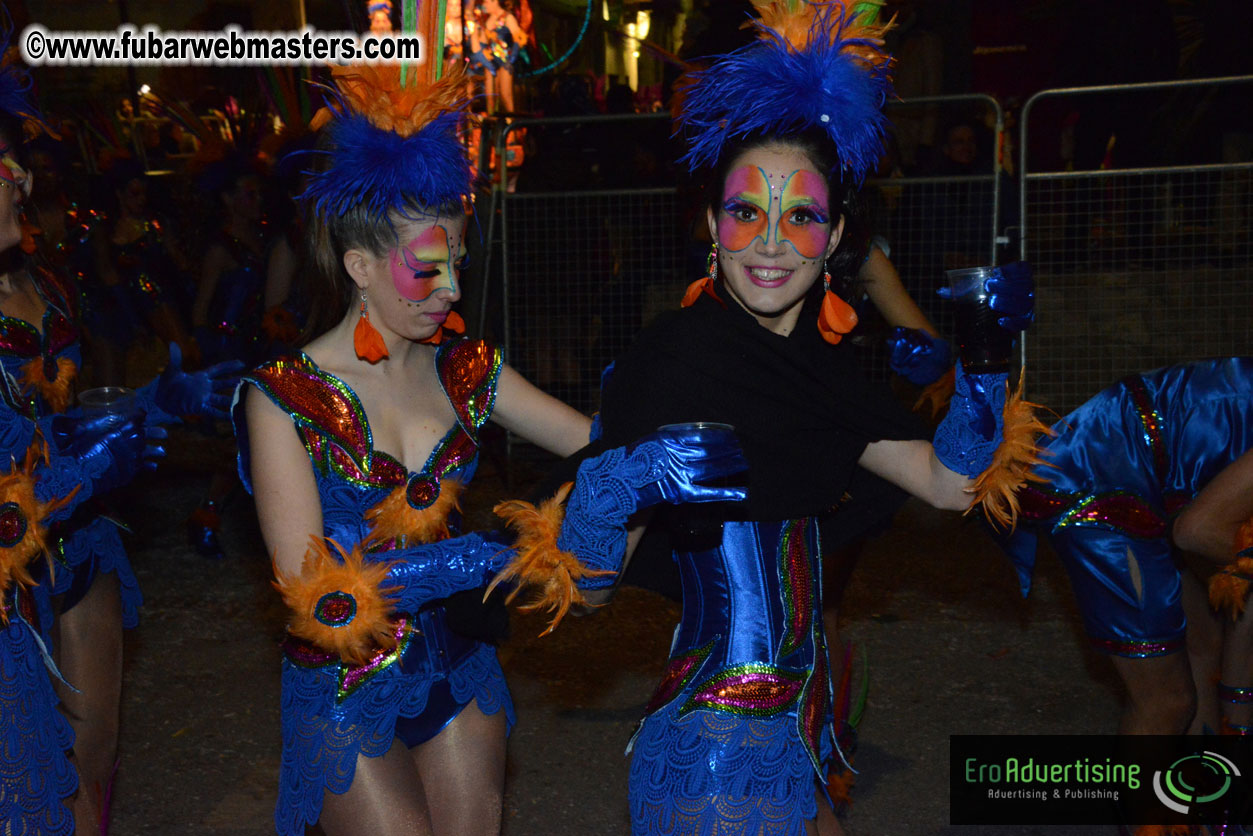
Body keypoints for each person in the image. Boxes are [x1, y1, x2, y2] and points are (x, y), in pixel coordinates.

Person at [231, 50, 746, 836]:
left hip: (458, 666)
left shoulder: (469, 371)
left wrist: (663, 450)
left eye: (457, 264)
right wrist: (473, 560)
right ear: (359, 264)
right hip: (343, 685)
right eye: (425, 271)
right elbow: (314, 590)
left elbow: (596, 445)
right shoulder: (283, 400)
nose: (451, 290)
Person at [577, 4, 1039, 834]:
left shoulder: (822, 374)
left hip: (801, 726)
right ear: (711, 230)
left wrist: (982, 364)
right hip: (710, 741)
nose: (771, 241)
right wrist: (624, 478)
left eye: (802, 216)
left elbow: (947, 482)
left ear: (833, 243)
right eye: (745, 211)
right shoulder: (672, 359)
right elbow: (584, 591)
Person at [0, 44, 236, 834]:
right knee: (24, 782)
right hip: (10, 579)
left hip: (79, 545)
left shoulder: (40, 284)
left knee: (88, 771)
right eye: (5, 166)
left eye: (21, 165)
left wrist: (143, 403)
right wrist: (84, 469)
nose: (22, 181)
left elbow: (41, 424)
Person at [1003, 358, 1253, 737]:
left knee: (1204, 640)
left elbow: (1243, 602)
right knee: (1166, 701)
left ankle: (1204, 785)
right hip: (1095, 482)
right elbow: (1199, 531)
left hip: (1148, 481)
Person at [469, 0, 527, 113]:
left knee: (506, 94)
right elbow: (483, 42)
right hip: (491, 61)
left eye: (486, 2)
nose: (484, 5)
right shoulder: (487, 20)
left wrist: (512, 58)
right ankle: (492, 124)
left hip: (505, 60)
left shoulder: (508, 17)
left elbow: (519, 38)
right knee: (490, 95)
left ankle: (511, 123)